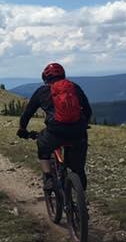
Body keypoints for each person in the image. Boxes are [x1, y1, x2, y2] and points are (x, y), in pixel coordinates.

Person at [16, 62, 92, 190]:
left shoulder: (42, 91)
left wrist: (22, 129)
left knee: (42, 144)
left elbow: (27, 114)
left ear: (45, 78)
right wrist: (82, 124)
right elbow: (88, 110)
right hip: (78, 132)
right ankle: (81, 199)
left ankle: (48, 178)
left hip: (56, 132)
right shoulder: (74, 88)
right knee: (78, 168)